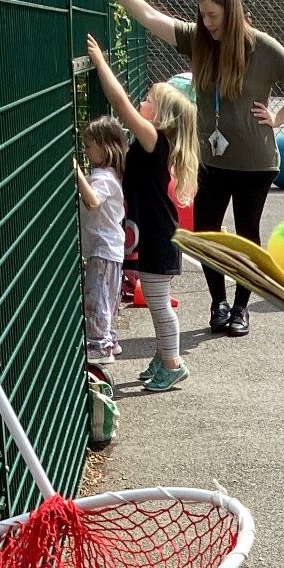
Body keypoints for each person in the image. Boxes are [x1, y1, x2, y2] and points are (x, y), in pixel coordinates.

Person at [101, 0, 284, 337]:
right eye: (202, 14)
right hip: (212, 159)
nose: (206, 22)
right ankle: (218, 304)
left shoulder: (261, 46)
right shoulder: (199, 39)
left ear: (230, 13)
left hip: (255, 162)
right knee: (205, 231)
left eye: (213, 16)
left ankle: (240, 308)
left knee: (247, 235)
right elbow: (152, 18)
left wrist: (278, 117)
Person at [86, 34, 197, 392]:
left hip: (158, 238)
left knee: (160, 305)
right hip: (153, 234)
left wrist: (101, 62)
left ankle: (172, 362)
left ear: (161, 115)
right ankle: (165, 356)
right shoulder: (154, 141)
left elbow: (120, 104)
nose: (141, 102)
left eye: (148, 101)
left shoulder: (154, 138)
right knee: (156, 301)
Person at [74, 116, 128, 365]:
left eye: (88, 146)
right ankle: (110, 339)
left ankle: (99, 345)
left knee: (97, 298)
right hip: (109, 247)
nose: (85, 152)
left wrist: (76, 173)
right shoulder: (109, 174)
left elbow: (93, 201)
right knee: (108, 297)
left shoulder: (103, 177)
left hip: (103, 248)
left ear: (105, 146)